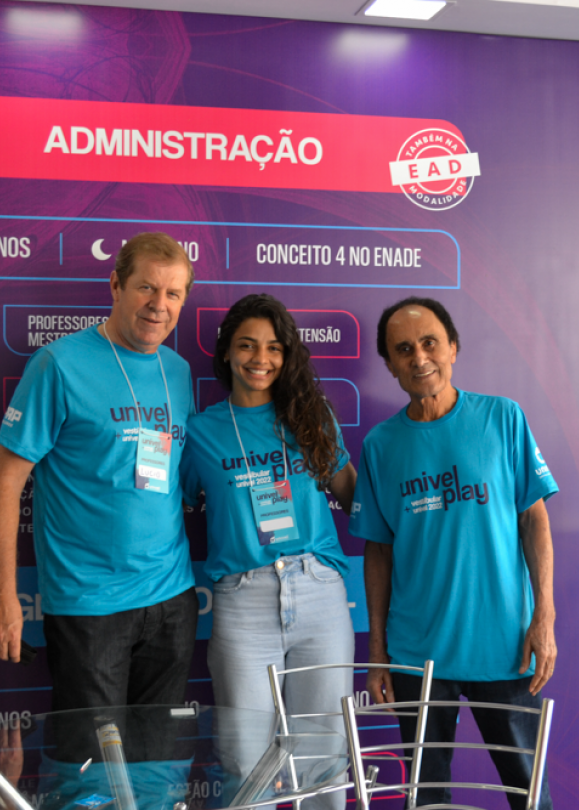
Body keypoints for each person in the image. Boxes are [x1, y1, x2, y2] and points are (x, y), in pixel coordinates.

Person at [350, 297, 559, 810]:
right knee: (427, 799)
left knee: (529, 794)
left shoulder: (503, 418)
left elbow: (533, 519)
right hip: (417, 655)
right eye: (403, 349)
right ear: (390, 365)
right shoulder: (379, 446)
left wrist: (544, 616)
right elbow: (378, 551)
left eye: (430, 343)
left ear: (453, 348)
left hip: (505, 647)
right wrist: (378, 653)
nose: (419, 357)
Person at [0, 232, 198, 711]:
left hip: (173, 601)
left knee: (159, 752)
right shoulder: (58, 365)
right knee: (92, 755)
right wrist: (0, 593)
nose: (159, 305)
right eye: (146, 287)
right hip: (89, 607)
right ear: (116, 285)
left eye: (173, 293)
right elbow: (5, 482)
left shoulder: (178, 371)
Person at [179, 294, 356, 806]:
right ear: (226, 352)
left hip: (318, 591)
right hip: (243, 600)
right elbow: (172, 504)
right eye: (247, 345)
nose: (261, 358)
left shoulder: (311, 416)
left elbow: (353, 495)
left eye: (274, 347)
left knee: (324, 751)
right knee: (244, 755)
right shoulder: (199, 432)